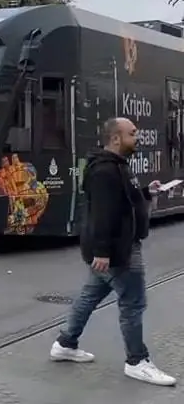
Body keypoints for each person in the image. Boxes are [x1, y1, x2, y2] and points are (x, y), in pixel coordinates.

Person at [50, 117, 175, 386]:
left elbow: (122, 200)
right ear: (116, 138)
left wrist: (146, 191)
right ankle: (137, 361)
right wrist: (103, 252)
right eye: (132, 134)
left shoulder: (116, 166)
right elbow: (102, 214)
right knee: (133, 304)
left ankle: (65, 343)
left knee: (89, 296)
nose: (137, 137)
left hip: (115, 247)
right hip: (120, 249)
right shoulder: (105, 171)